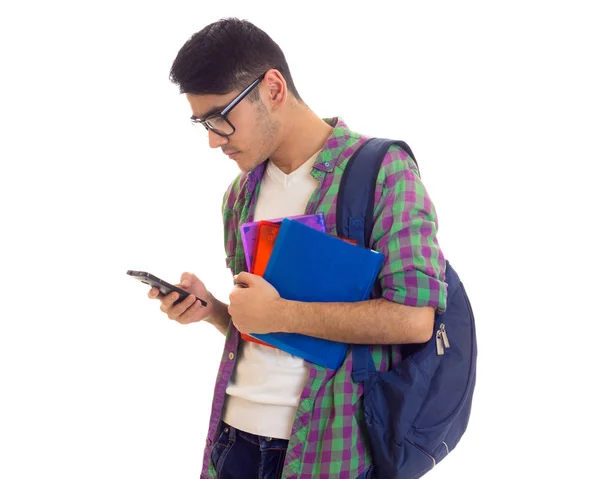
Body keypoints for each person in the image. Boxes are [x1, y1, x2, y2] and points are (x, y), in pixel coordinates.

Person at [148, 17, 448, 479]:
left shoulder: (381, 172)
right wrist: (213, 310)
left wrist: (279, 314)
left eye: (221, 119)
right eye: (202, 123)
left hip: (327, 450)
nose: (212, 140)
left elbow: (415, 320)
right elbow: (263, 329)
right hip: (232, 444)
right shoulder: (239, 195)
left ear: (272, 88)